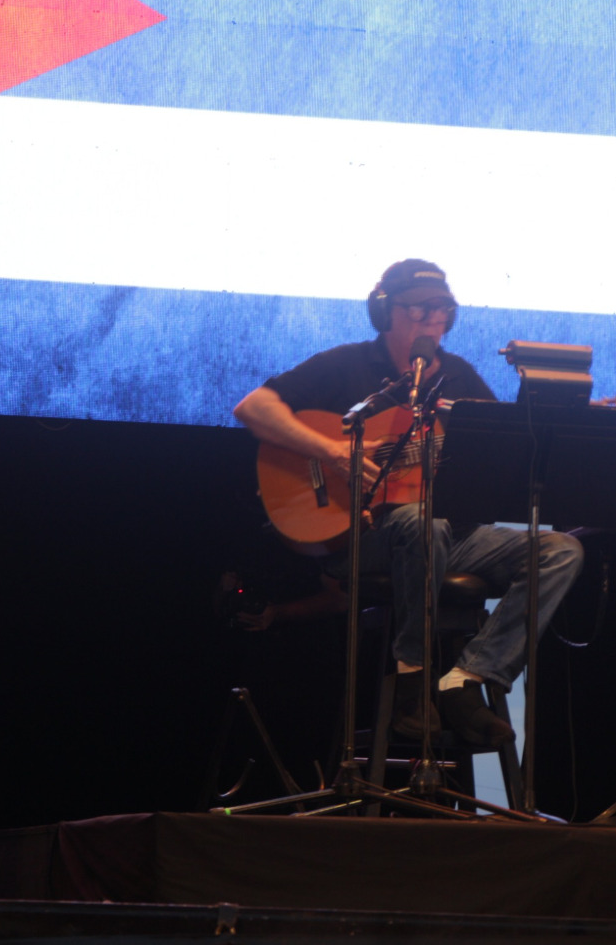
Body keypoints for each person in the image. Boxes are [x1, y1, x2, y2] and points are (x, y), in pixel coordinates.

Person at [233, 259, 584, 748]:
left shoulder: (460, 378)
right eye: (420, 309)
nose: (433, 320)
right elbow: (253, 408)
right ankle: (412, 679)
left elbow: (503, 454)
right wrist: (333, 452)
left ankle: (467, 680)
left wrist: (566, 430)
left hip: (450, 535)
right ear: (385, 312)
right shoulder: (348, 364)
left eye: (442, 310)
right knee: (422, 522)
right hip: (365, 540)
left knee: (561, 550)